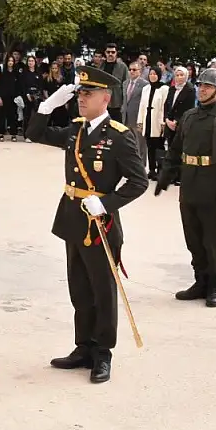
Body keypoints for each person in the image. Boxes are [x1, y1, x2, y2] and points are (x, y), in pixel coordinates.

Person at [27, 66, 148, 384]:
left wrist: (107, 203)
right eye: (79, 93)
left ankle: (102, 353)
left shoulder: (119, 137)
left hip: (99, 224)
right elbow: (35, 134)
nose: (81, 99)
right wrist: (45, 107)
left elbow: (139, 181)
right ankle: (83, 347)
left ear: (105, 98)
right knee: (79, 288)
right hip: (72, 218)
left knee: (102, 291)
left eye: (88, 94)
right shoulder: (76, 129)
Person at [155, 68, 216, 307]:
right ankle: (200, 281)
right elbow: (175, 149)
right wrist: (165, 176)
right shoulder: (190, 116)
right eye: (201, 85)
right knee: (193, 237)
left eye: (208, 86)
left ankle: (215, 284)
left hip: (213, 187)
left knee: (212, 239)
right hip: (190, 184)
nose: (202, 89)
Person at [138, 65, 169, 180]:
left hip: (157, 120)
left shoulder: (164, 88)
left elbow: (164, 106)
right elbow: (141, 105)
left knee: (159, 146)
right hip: (147, 119)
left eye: (155, 74)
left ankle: (161, 170)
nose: (152, 76)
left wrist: (163, 123)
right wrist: (140, 122)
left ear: (159, 75)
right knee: (149, 146)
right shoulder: (145, 88)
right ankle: (151, 170)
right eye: (151, 74)